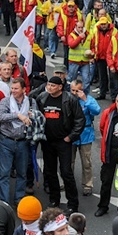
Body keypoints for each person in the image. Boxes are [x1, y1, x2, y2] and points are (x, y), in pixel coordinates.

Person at [35, 76, 85, 214]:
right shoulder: (42, 98)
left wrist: (70, 137)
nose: (50, 88)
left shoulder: (70, 99)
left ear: (60, 87)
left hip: (63, 142)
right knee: (50, 172)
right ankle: (54, 199)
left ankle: (72, 204)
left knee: (66, 172)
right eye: (49, 85)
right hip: (47, 141)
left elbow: (80, 120)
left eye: (53, 85)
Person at [0, 77, 35, 205]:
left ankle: (19, 199)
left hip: (23, 141)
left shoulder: (31, 102)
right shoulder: (5, 101)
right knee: (4, 173)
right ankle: (4, 202)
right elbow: (1, 116)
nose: (13, 91)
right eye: (12, 88)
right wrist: (18, 115)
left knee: (22, 173)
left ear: (24, 89)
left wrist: (32, 116)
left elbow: (37, 117)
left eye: (16, 88)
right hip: (6, 141)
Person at [70, 78, 100, 196]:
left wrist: (85, 100)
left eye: (78, 91)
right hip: (71, 134)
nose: (75, 93)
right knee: (69, 162)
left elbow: (97, 111)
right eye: (73, 90)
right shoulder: (67, 99)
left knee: (86, 162)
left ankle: (88, 184)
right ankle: (69, 183)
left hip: (85, 134)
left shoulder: (88, 99)